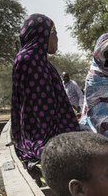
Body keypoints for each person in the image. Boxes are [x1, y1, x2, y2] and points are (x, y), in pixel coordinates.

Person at [10, 13, 79, 170]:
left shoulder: (38, 60)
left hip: (53, 129)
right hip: (44, 134)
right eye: (54, 33)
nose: (57, 39)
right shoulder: (30, 60)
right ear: (42, 35)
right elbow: (41, 111)